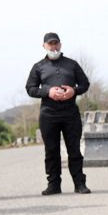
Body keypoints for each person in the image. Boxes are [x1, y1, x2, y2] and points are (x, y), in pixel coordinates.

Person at [25, 32, 91, 195]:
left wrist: (73, 91)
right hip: (48, 114)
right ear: (44, 46)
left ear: (60, 45)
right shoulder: (38, 66)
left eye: (55, 43)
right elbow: (30, 89)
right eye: (50, 44)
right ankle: (53, 184)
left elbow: (85, 84)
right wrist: (48, 91)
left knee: (74, 150)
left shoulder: (72, 64)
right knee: (51, 150)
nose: (53, 46)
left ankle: (79, 184)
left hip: (70, 114)